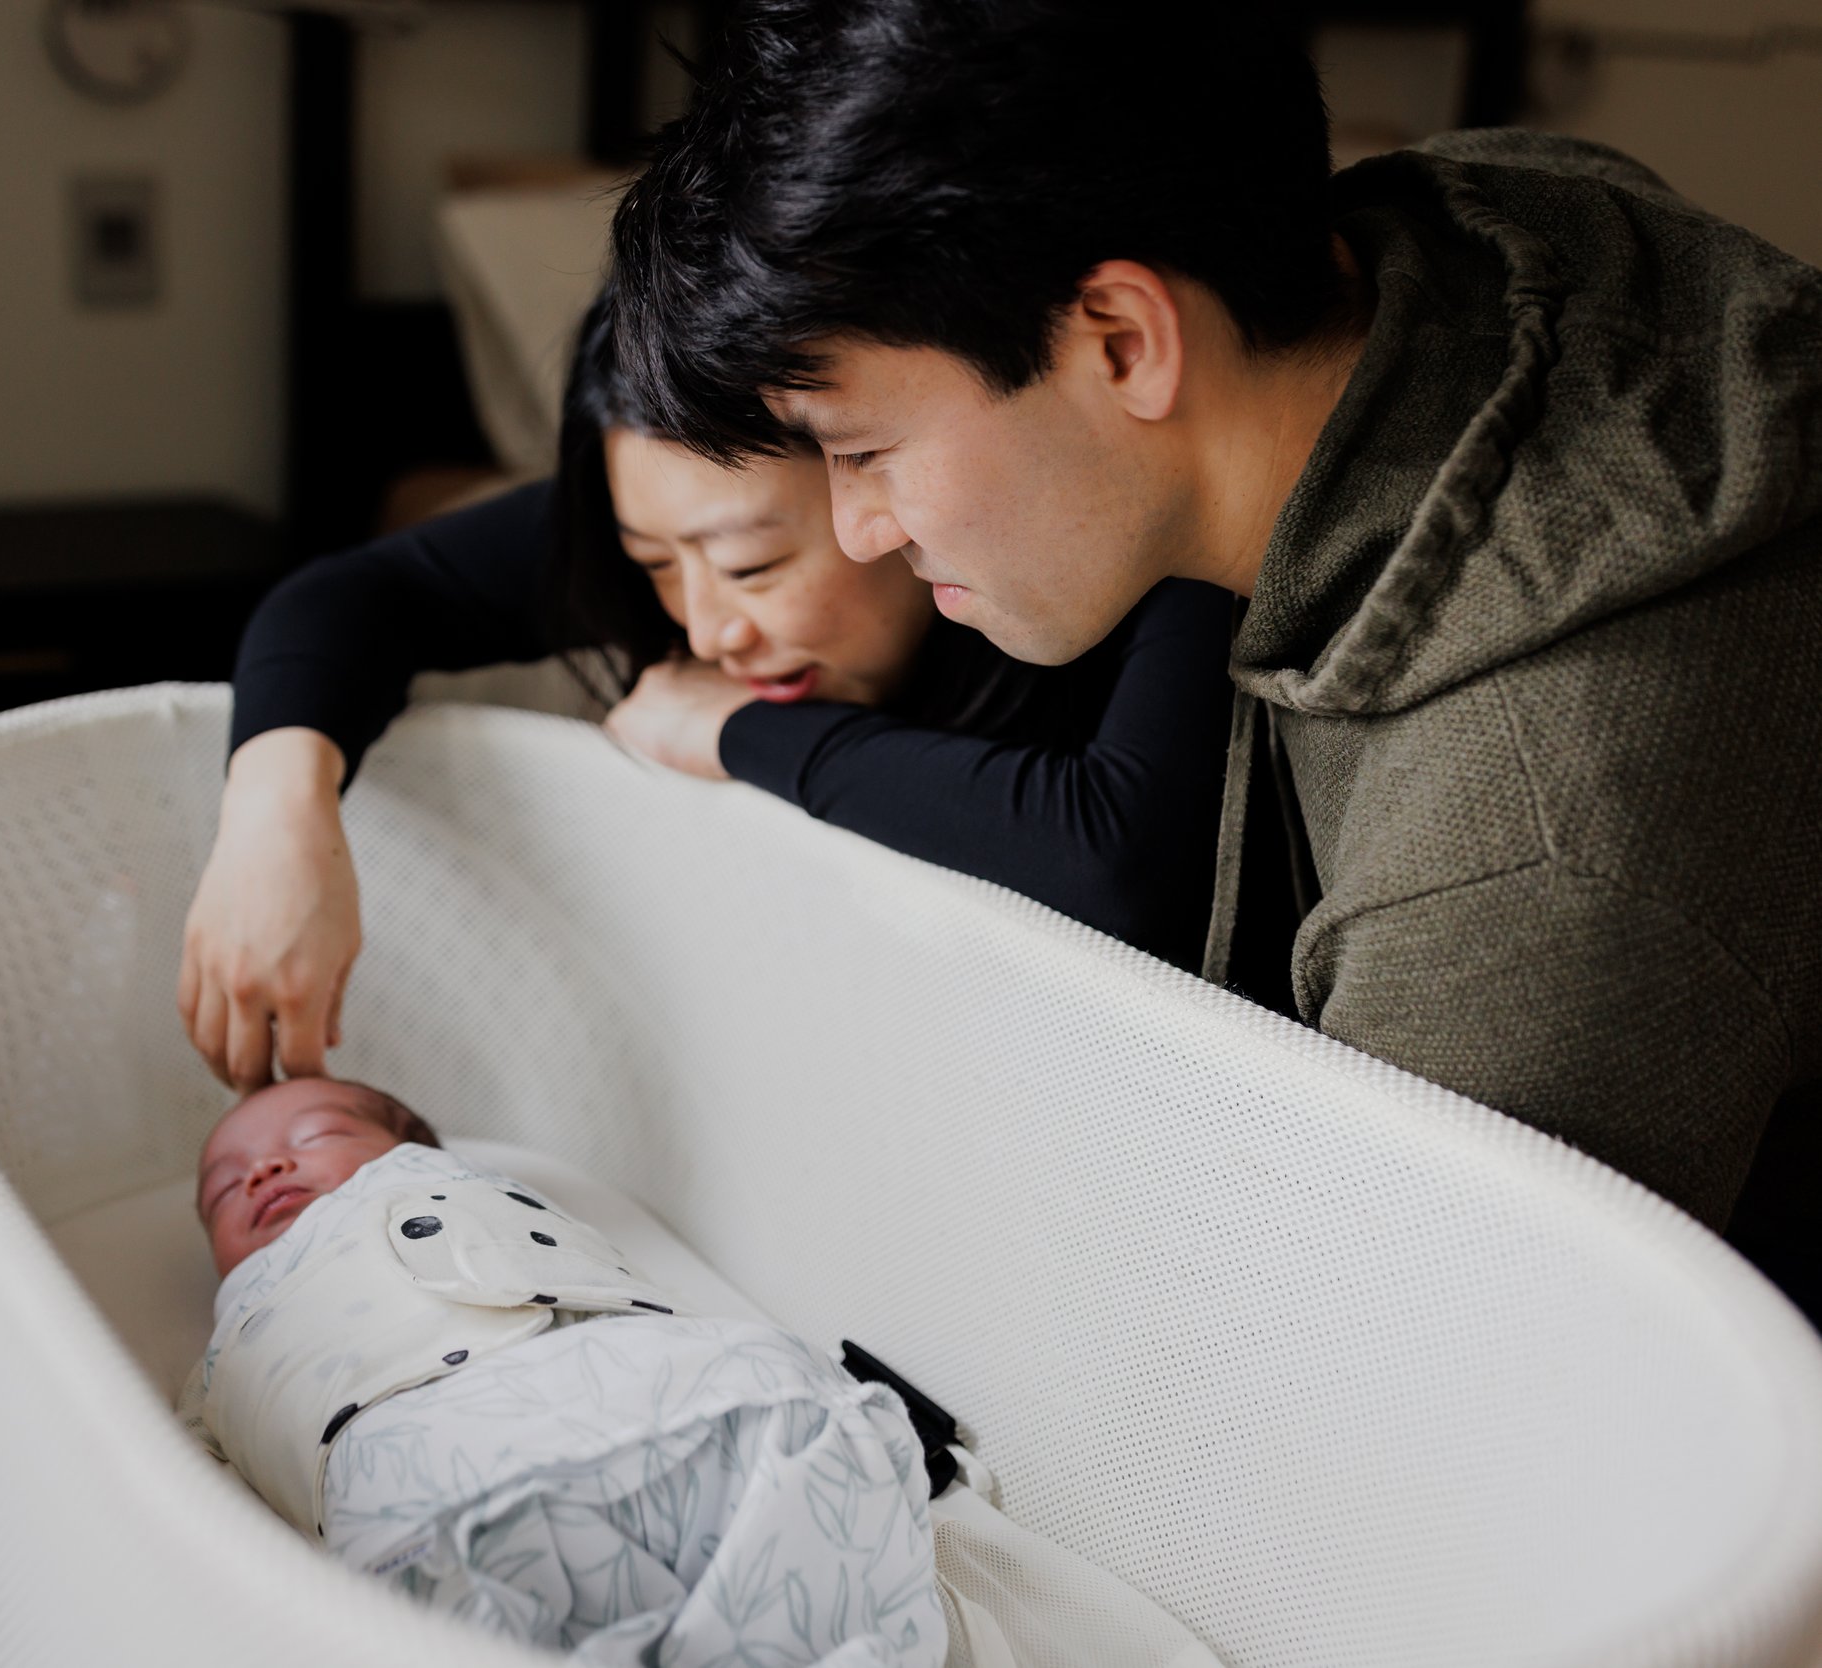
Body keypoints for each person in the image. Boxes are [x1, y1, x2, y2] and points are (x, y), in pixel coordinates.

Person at [604, 0, 1822, 1276]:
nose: (856, 531)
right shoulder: (1491, 213)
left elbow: (1390, 1398)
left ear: (1123, 342)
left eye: (862, 452)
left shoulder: (1514, 885)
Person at [179, 293, 1243, 1091]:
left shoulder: (1114, 548)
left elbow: (1113, 861)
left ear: (873, 468)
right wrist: (277, 818)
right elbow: (355, 598)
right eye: (652, 563)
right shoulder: (672, 516)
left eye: (749, 566)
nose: (703, 627)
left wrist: (745, 731)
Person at [182, 1076, 948, 1668]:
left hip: (647, 1389)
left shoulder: (445, 1183)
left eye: (319, 1132)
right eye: (222, 1187)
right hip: (427, 1480)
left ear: (421, 1153)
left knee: (786, 1393)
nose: (264, 1170)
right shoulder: (224, 1359)